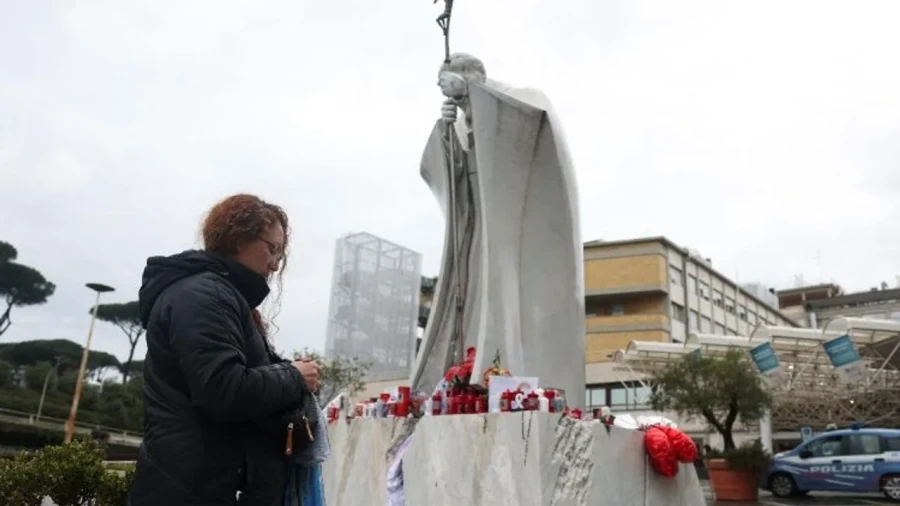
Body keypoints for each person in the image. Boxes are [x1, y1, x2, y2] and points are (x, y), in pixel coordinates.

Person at [129, 194, 321, 506]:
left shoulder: (218, 295)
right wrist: (294, 376)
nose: (275, 263)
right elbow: (223, 389)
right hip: (200, 490)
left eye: (281, 255)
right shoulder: (206, 296)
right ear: (238, 238)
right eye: (272, 249)